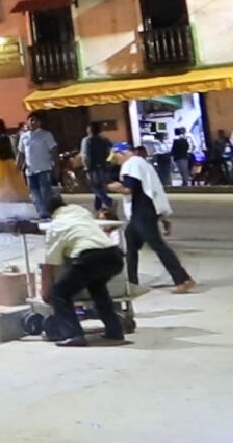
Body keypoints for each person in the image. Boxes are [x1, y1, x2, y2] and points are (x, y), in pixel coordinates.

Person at [40, 190, 128, 346]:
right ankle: (115, 332)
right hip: (114, 256)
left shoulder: (55, 226)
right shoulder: (80, 211)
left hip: (90, 258)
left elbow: (51, 261)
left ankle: (73, 334)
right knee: (97, 288)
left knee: (59, 294)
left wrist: (46, 290)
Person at [117, 145, 195, 292]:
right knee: (131, 243)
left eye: (117, 157)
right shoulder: (143, 164)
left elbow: (129, 188)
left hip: (143, 211)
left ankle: (182, 280)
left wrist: (113, 187)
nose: (117, 161)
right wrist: (165, 216)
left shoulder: (131, 164)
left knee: (158, 245)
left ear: (122, 154)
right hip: (142, 211)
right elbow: (155, 189)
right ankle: (132, 282)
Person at [18, 115, 59, 216]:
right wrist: (18, 166)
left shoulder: (46, 135)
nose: (32, 123)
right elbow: (21, 153)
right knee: (34, 193)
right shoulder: (24, 136)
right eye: (30, 120)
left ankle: (46, 212)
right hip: (30, 170)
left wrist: (57, 166)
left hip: (44, 169)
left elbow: (54, 151)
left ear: (39, 122)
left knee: (45, 193)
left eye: (34, 120)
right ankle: (41, 211)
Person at [80, 122, 113, 215]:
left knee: (94, 186)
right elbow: (110, 151)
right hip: (103, 166)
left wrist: (85, 166)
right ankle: (97, 207)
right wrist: (108, 162)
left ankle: (106, 200)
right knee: (100, 185)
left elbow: (84, 155)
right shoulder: (104, 140)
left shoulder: (86, 140)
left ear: (89, 130)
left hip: (92, 167)